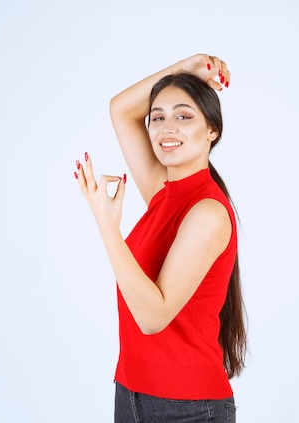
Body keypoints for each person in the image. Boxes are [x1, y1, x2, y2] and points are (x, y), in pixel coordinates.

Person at [74, 54, 247, 422]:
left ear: (212, 130)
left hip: (187, 408)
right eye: (158, 117)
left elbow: (152, 316)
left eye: (185, 117)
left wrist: (108, 227)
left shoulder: (209, 213)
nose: (168, 128)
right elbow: (120, 109)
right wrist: (186, 68)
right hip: (132, 394)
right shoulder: (163, 191)